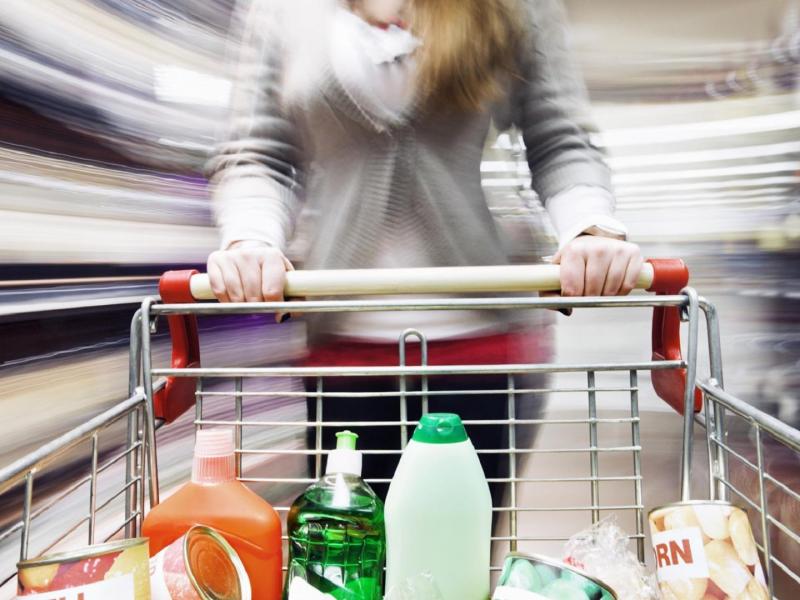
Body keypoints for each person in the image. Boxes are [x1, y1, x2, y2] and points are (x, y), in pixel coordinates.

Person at [206, 0, 642, 503]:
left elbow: (559, 138)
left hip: (483, 350)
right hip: (343, 351)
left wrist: (589, 230)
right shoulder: (280, 10)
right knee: (352, 560)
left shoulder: (514, 6)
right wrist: (251, 240)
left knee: (459, 563)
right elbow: (260, 152)